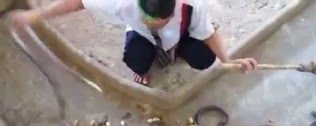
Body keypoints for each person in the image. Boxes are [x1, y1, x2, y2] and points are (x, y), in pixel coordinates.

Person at [9, 0, 257, 85]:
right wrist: (34, 16)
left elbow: (209, 33)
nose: (153, 22)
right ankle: (148, 59)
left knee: (205, 58)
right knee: (136, 59)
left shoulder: (193, 5)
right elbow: (77, 2)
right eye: (148, 18)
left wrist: (229, 61)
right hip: (140, 36)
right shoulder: (121, 1)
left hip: (182, 33)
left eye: (160, 21)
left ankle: (175, 51)